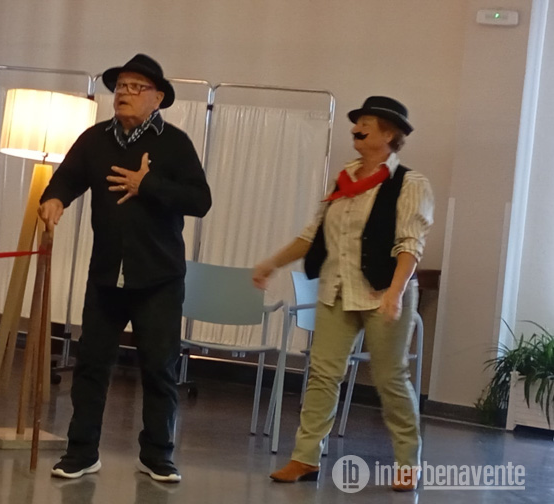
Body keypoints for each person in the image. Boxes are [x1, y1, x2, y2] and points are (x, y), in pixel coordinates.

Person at [38, 54, 212, 483]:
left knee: (158, 368)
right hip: (105, 276)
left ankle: (157, 455)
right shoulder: (95, 139)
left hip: (159, 279)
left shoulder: (175, 144)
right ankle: (81, 452)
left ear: (158, 98)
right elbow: (67, 177)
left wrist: (146, 184)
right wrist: (55, 198)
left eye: (136, 87)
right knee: (91, 365)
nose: (124, 94)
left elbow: (200, 201)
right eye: (120, 86)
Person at [253, 96, 434, 491]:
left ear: (390, 133)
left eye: (367, 122)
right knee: (322, 373)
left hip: (385, 292)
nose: (358, 127)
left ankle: (408, 463)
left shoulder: (410, 183)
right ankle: (305, 457)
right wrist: (271, 263)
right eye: (358, 121)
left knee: (390, 378)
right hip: (337, 289)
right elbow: (312, 235)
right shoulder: (344, 180)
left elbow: (410, 244)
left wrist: (396, 292)